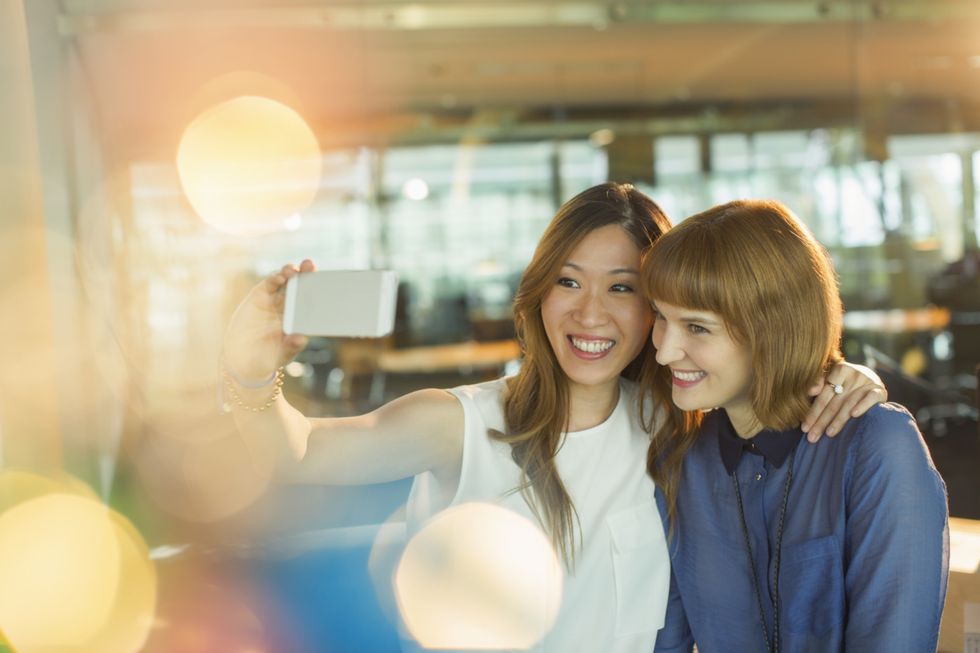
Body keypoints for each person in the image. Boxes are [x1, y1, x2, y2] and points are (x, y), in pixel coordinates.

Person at [221, 183, 886, 651]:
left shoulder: (677, 427)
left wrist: (842, 375)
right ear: (539, 292)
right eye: (568, 281)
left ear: (658, 306)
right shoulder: (465, 424)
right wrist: (251, 368)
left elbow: (763, 385)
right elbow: (299, 454)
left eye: (622, 287)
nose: (589, 312)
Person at [644, 200, 949, 652]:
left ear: (774, 329)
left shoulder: (878, 448)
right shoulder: (678, 464)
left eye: (697, 328)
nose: (665, 351)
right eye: (660, 317)